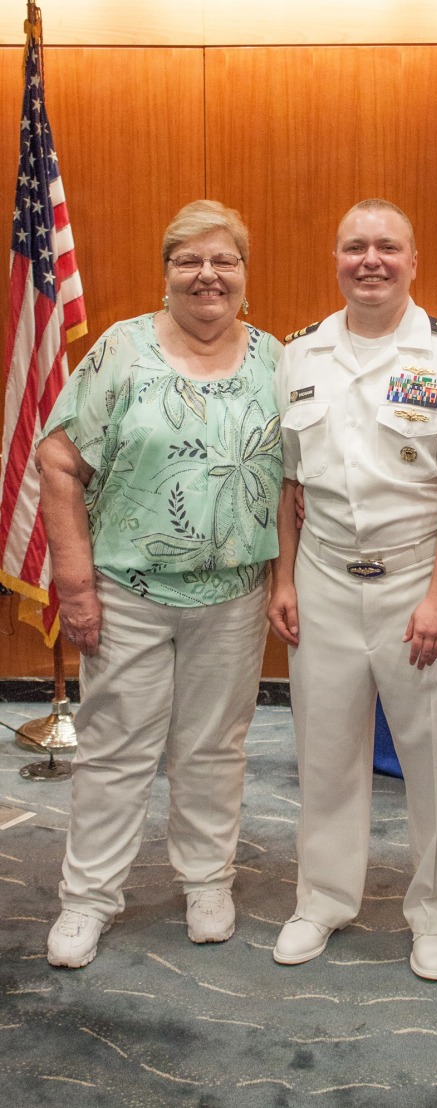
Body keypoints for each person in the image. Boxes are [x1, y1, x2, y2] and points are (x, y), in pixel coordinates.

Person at [36, 200, 283, 968]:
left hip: (236, 594)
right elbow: (59, 462)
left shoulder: (278, 358)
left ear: (244, 271)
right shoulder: (122, 350)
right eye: (189, 261)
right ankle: (88, 899)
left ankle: (208, 881)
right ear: (167, 272)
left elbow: (300, 480)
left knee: (215, 747)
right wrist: (74, 581)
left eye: (224, 261)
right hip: (127, 594)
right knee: (116, 749)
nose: (207, 275)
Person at [267, 199, 437, 980]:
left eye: (387, 247)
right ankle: (322, 899)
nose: (371, 260)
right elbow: (287, 481)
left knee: (432, 758)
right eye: (355, 246)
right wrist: (284, 577)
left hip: (416, 582)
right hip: (322, 579)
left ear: (413, 260)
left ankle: (436, 911)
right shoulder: (299, 355)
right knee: (323, 751)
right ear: (336, 259)